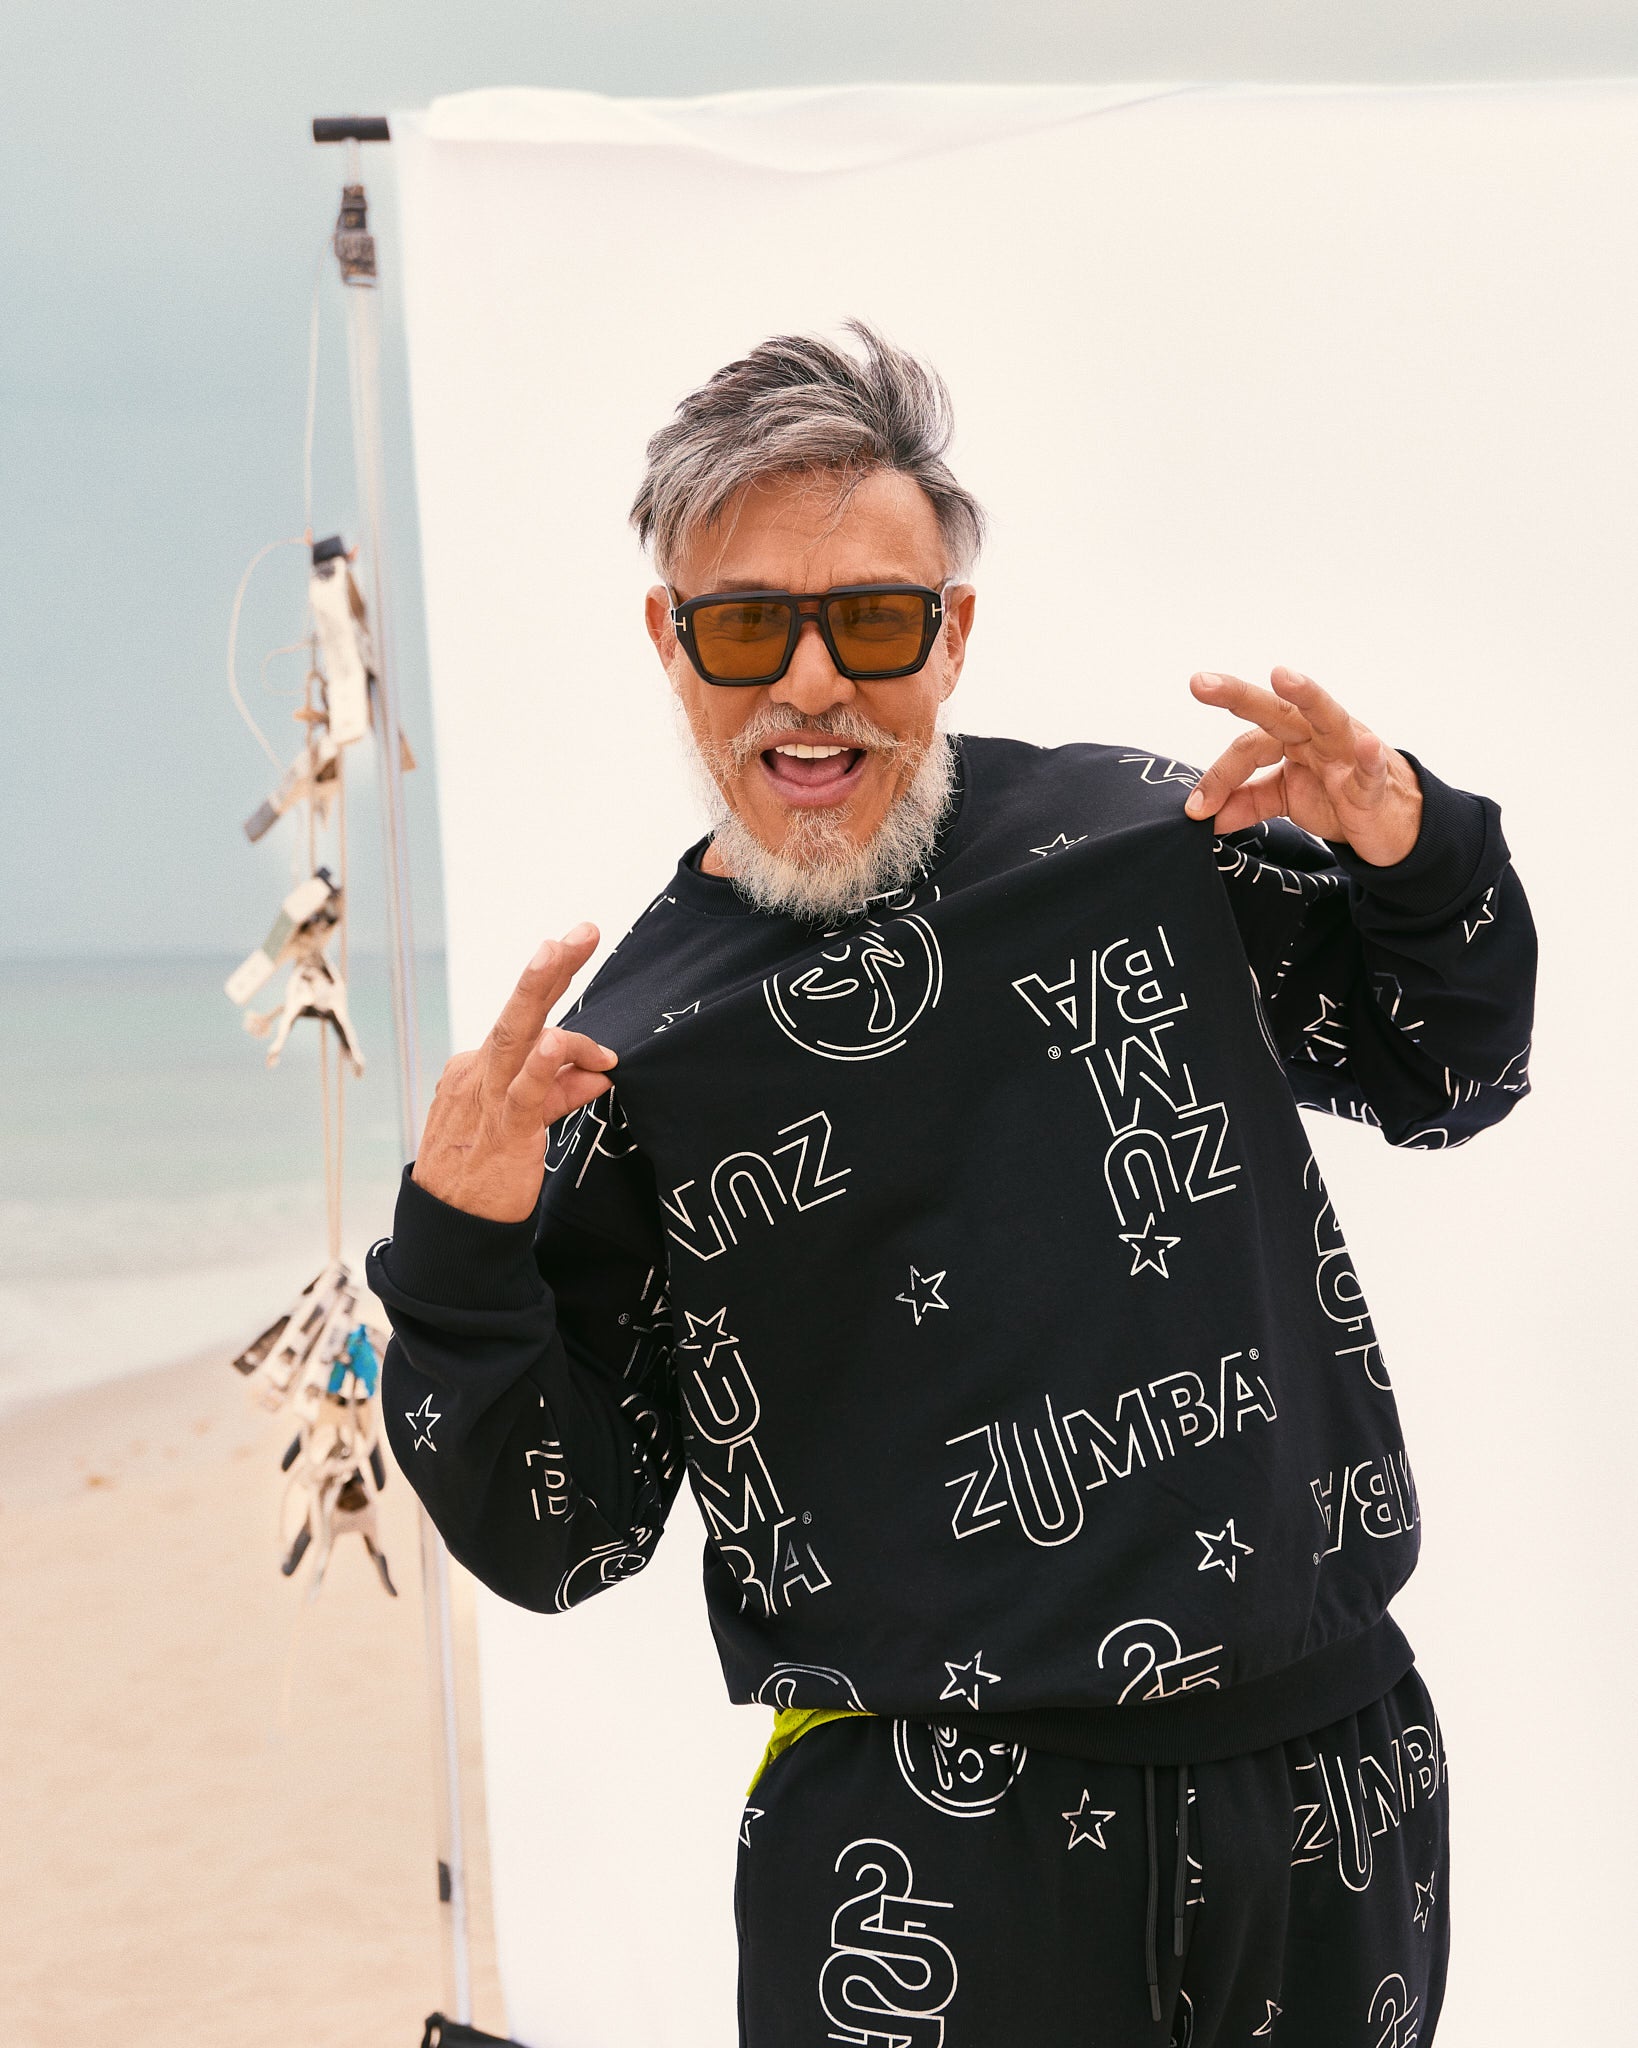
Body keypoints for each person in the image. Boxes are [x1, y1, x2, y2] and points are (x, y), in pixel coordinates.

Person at [367, 323, 1536, 2047]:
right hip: (932, 1857)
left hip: (1330, 1793)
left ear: (954, 632)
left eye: (876, 619)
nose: (814, 683)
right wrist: (463, 1249)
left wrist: (1412, 849)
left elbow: (1452, 1072)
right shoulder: (633, 1065)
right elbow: (560, 1535)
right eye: (751, 623)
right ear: (671, 644)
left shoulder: (1146, 850)